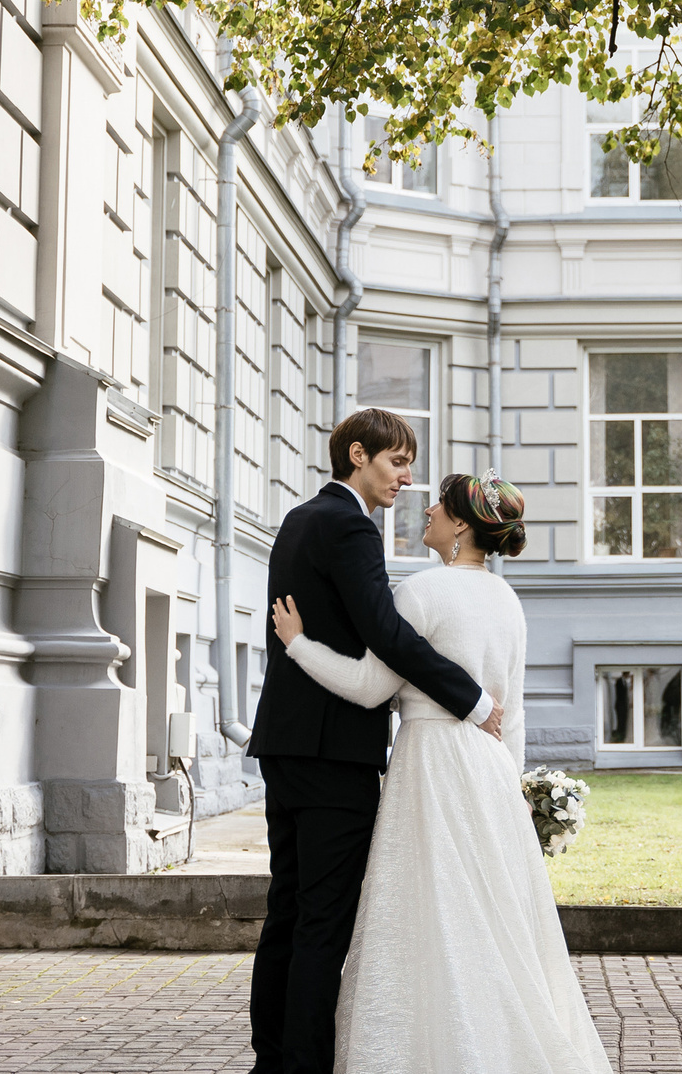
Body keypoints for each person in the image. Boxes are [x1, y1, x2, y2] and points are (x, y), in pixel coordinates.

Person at [270, 471, 613, 1074]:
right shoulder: (508, 601)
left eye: (438, 506)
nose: (424, 508)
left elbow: (369, 688)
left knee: (426, 913)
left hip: (430, 766)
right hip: (487, 772)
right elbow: (515, 712)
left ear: (459, 525)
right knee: (487, 917)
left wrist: (299, 644)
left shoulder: (419, 593)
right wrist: (512, 791)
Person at [247, 409, 504, 1074]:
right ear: (356, 455)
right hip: (336, 750)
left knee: (288, 906)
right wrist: (472, 699)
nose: (406, 476)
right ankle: (301, 1065)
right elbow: (386, 631)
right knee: (322, 920)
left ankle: (272, 1058)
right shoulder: (350, 526)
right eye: (395, 461)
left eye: (409, 462)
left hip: (285, 740)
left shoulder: (298, 519)